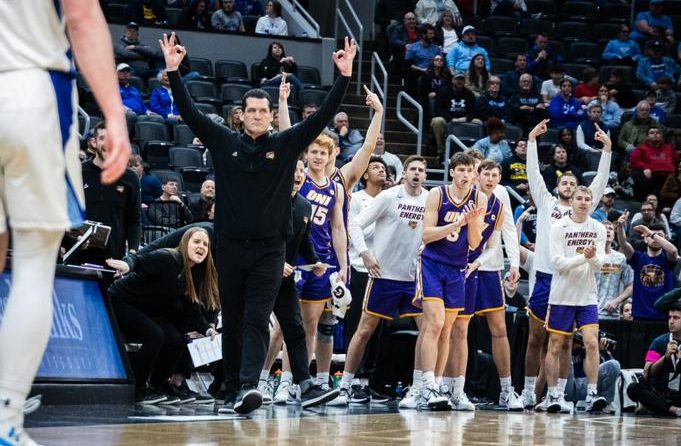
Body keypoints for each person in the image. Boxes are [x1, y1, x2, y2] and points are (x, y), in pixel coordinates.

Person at [159, 32, 356, 414]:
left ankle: (251, 385)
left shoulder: (284, 145)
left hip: (270, 248)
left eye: (263, 112)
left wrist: (344, 77)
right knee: (231, 319)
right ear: (241, 114)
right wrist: (173, 71)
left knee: (254, 317)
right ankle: (233, 386)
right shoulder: (221, 140)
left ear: (270, 115)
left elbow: (323, 117)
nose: (257, 116)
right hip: (229, 247)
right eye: (251, 111)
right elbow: (189, 112)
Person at [0, 1, 131, 443]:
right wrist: (114, 114)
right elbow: (81, 16)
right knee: (36, 264)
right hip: (32, 88)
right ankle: (6, 418)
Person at [520, 119, 611, 411]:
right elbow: (533, 173)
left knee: (565, 344)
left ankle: (553, 396)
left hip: (574, 282)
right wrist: (532, 141)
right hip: (546, 277)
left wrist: (607, 151)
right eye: (565, 182)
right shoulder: (546, 203)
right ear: (558, 186)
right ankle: (526, 392)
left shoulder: (585, 207)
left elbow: (599, 181)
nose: (570, 187)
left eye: (574, 184)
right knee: (537, 340)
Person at [330, 156, 429, 406]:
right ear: (404, 173)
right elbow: (354, 224)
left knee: (428, 331)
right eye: (412, 169)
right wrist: (365, 253)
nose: (417, 173)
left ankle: (421, 387)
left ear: (425, 176)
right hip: (384, 276)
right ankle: (345, 387)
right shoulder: (389, 196)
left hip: (413, 279)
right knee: (364, 330)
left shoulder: (430, 199)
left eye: (421, 170)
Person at [259, 157, 340, 408]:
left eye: (300, 171)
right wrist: (275, 262)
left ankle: (298, 384)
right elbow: (259, 237)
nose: (298, 174)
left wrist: (315, 261)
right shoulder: (270, 200)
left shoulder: (304, 206)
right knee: (266, 328)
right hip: (261, 273)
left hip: (290, 274)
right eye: (293, 169)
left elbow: (304, 239)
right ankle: (258, 380)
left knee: (296, 326)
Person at [107, 227, 219, 404]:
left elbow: (191, 309)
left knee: (175, 339)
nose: (201, 247)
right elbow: (138, 260)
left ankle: (157, 386)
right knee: (155, 335)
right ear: (184, 243)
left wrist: (207, 329)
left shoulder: (189, 274)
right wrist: (127, 265)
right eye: (196, 242)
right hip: (120, 302)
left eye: (205, 244)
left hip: (144, 309)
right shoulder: (168, 258)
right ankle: (138, 390)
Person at [412, 152, 486, 409]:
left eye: (470, 171)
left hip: (457, 268)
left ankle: (438, 384)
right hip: (431, 263)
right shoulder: (437, 195)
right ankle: (426, 386)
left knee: (446, 330)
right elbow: (426, 235)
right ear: (452, 172)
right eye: (461, 170)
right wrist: (458, 224)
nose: (466, 175)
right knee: (434, 323)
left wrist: (473, 223)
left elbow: (475, 243)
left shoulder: (480, 198)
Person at [447, 160, 523, 411]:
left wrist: (513, 263)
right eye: (486, 174)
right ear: (476, 175)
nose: (490, 179)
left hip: (487, 268)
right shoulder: (459, 196)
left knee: (499, 329)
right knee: (457, 329)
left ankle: (506, 390)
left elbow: (503, 235)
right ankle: (451, 387)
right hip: (458, 267)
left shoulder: (499, 201)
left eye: (495, 175)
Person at [544, 186, 608, 413]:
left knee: (591, 342)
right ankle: (553, 394)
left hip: (587, 296)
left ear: (592, 203)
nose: (583, 202)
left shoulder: (598, 228)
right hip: (562, 296)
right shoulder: (558, 227)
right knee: (556, 346)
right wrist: (584, 257)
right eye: (579, 198)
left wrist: (591, 259)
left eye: (587, 199)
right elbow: (557, 263)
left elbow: (600, 265)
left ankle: (592, 393)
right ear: (571, 201)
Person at [295, 135, 348, 391]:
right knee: (285, 325)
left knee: (314, 324)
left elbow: (338, 227)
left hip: (322, 260)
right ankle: (275, 379)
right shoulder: (297, 179)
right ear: (307, 154)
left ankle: (308, 382)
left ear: (330, 157)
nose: (317, 157)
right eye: (313, 151)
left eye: (322, 153)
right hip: (295, 257)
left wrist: (344, 264)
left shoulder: (335, 187)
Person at [74, 121, 141, 266]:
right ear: (93, 142)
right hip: (76, 257)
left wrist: (132, 254)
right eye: (104, 138)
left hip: (113, 261)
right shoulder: (77, 173)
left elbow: (134, 220)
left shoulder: (130, 178)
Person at [617, 213, 678, 321]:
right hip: (640, 315)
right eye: (650, 236)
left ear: (665, 239)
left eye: (660, 236)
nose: (655, 239)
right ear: (645, 239)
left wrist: (652, 234)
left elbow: (673, 251)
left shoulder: (667, 258)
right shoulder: (638, 257)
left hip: (663, 316)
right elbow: (623, 244)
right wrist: (620, 227)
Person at [626, 304, 681, 416]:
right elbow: (648, 373)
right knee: (633, 388)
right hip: (662, 393)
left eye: (676, 318)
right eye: (669, 317)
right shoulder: (659, 342)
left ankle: (655, 407)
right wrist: (665, 356)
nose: (671, 321)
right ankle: (674, 410)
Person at [430, 71, 478, 157]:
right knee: (437, 121)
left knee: (478, 122)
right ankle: (441, 151)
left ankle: (473, 152)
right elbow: (438, 109)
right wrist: (450, 119)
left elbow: (475, 111)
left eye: (462, 79)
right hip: (448, 119)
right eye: (457, 79)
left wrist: (466, 118)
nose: (459, 81)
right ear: (453, 80)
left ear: (464, 81)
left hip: (464, 119)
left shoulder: (469, 94)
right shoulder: (443, 91)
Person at [595, 220, 634, 319]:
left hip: (611, 314)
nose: (608, 231)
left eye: (611, 229)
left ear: (614, 235)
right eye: (604, 228)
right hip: (589, 313)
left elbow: (631, 284)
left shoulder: (621, 258)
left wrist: (617, 301)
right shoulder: (589, 255)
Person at [630, 127, 678, 202]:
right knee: (637, 173)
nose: (655, 134)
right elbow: (634, 161)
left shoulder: (669, 148)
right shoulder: (641, 147)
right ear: (647, 137)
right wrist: (645, 167)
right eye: (652, 133)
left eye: (657, 132)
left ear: (662, 136)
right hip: (652, 175)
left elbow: (677, 161)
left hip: (670, 175)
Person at [404, 24, 442, 96]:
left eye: (433, 33)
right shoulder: (413, 47)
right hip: (418, 72)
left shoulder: (436, 48)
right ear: (423, 35)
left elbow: (439, 62)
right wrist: (422, 69)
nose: (433, 36)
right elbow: (408, 65)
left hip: (433, 72)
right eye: (430, 34)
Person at [576, 103, 611, 171]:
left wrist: (602, 150)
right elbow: (580, 143)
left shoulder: (606, 128)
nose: (596, 114)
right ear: (589, 113)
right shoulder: (582, 126)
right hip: (586, 152)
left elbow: (607, 143)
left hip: (601, 152)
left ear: (601, 114)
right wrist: (591, 150)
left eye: (598, 112)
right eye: (594, 112)